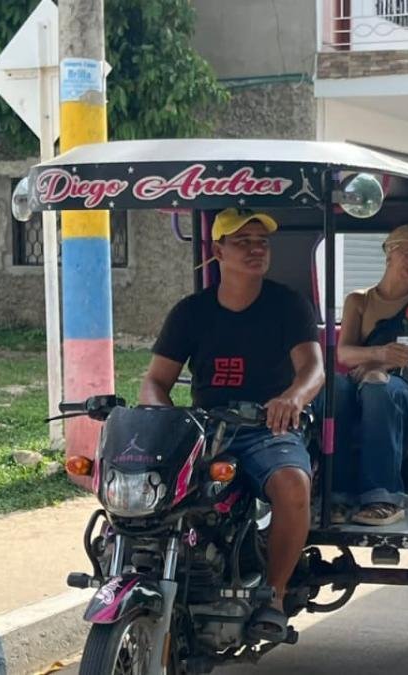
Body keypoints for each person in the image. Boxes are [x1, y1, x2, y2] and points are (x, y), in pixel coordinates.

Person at [139, 208, 323, 643]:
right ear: (217, 250)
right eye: (242, 241)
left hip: (267, 426)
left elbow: (314, 369)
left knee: (293, 483)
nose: (255, 249)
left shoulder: (287, 304)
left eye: (262, 241)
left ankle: (273, 597)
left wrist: (292, 397)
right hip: (204, 428)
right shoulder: (190, 312)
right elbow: (155, 381)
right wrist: (165, 417)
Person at [332, 224, 408, 526]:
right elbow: (344, 354)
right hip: (361, 386)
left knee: (378, 386)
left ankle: (384, 495)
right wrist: (378, 354)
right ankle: (336, 493)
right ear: (389, 252)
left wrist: (395, 361)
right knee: (334, 388)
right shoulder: (359, 301)